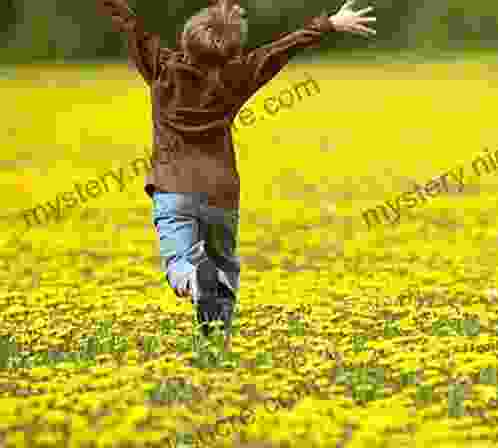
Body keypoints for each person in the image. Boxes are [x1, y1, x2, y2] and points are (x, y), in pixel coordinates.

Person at [97, 0, 376, 339]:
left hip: (173, 191)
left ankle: (195, 282)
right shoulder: (236, 76)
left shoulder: (161, 68)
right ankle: (218, 339)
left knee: (180, 266)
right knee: (223, 265)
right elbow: (278, 51)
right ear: (231, 52)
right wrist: (329, 24)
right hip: (221, 195)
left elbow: (129, 23)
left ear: (186, 39)